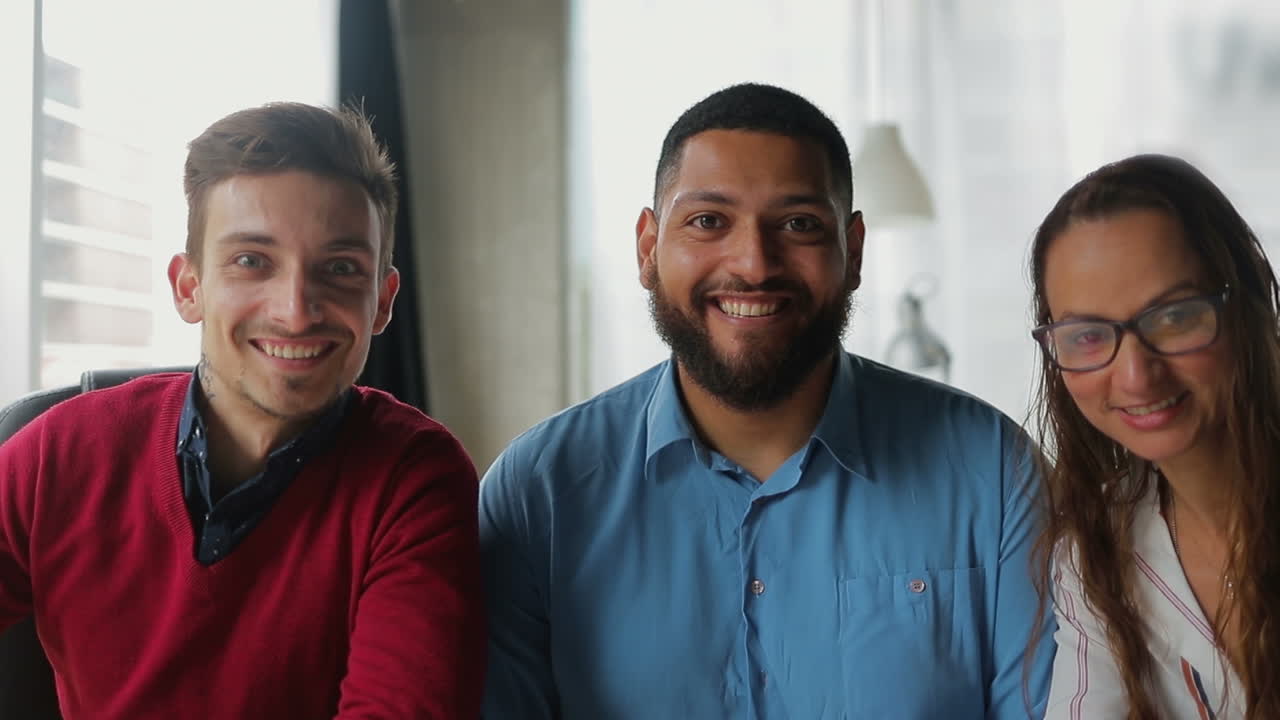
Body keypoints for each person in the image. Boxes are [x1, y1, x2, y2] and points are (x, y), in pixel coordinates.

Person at [480, 82, 1053, 719]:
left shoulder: (993, 474)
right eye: (707, 221)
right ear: (647, 248)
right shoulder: (539, 494)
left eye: (799, 224)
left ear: (853, 251)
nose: (753, 263)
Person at [0, 102, 485, 718]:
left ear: (382, 301)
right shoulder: (57, 454)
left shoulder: (414, 479)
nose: (296, 309)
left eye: (340, 269)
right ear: (188, 286)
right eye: (252, 261)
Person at [1028, 154, 1280, 718]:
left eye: (1173, 317)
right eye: (1087, 335)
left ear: (1248, 301)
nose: (1137, 376)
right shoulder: (1100, 548)